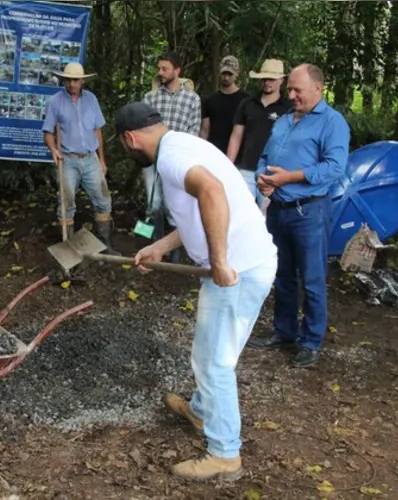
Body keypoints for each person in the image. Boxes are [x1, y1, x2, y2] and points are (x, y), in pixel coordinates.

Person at [116, 101, 278, 481]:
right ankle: (203, 411)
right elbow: (199, 214)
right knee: (214, 353)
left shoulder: (171, 160)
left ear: (130, 138)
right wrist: (161, 245)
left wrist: (219, 262)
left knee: (214, 362)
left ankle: (225, 454)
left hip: (236, 271)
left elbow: (212, 192)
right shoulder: (183, 145)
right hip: (249, 263)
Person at [247, 64, 350, 368]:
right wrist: (262, 179)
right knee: (283, 274)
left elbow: (334, 167)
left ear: (318, 88)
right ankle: (284, 331)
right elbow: (265, 157)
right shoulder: (284, 120)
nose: (291, 95)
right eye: (289, 89)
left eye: (297, 90)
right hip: (278, 209)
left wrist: (289, 177)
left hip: (311, 211)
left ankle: (311, 340)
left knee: (312, 278)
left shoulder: (332, 123)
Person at [41, 62, 115, 252]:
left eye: (75, 80)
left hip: (90, 158)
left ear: (82, 81)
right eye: (68, 80)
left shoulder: (91, 99)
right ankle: (70, 248)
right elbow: (48, 132)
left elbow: (97, 130)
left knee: (103, 198)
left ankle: (106, 244)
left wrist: (101, 159)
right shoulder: (55, 102)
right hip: (67, 159)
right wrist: (53, 150)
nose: (72, 84)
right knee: (66, 202)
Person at [142, 52, 202, 261]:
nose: (160, 72)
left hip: (176, 161)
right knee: (153, 203)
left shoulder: (192, 99)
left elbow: (193, 131)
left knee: (172, 205)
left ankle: (174, 250)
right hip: (152, 159)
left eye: (164, 69)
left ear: (177, 71)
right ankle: (153, 244)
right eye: (159, 68)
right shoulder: (151, 97)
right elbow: (142, 129)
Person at [226, 59, 291, 209]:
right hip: (246, 169)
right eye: (264, 78)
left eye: (272, 79)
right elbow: (236, 136)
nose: (267, 82)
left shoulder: (288, 108)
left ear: (281, 80)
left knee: (266, 218)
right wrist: (228, 166)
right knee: (241, 213)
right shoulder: (247, 103)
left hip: (272, 171)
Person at [201, 56, 249, 156]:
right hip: (213, 153)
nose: (226, 77)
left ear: (236, 75)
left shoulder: (246, 99)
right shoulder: (210, 100)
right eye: (224, 73)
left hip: (238, 156)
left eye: (230, 74)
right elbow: (205, 130)